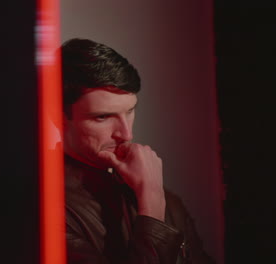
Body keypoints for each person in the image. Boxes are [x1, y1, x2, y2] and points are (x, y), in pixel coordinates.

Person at [62, 38, 215, 264]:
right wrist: (152, 206)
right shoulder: (45, 210)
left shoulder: (163, 197)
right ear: (58, 118)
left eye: (130, 111)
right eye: (102, 117)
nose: (126, 134)